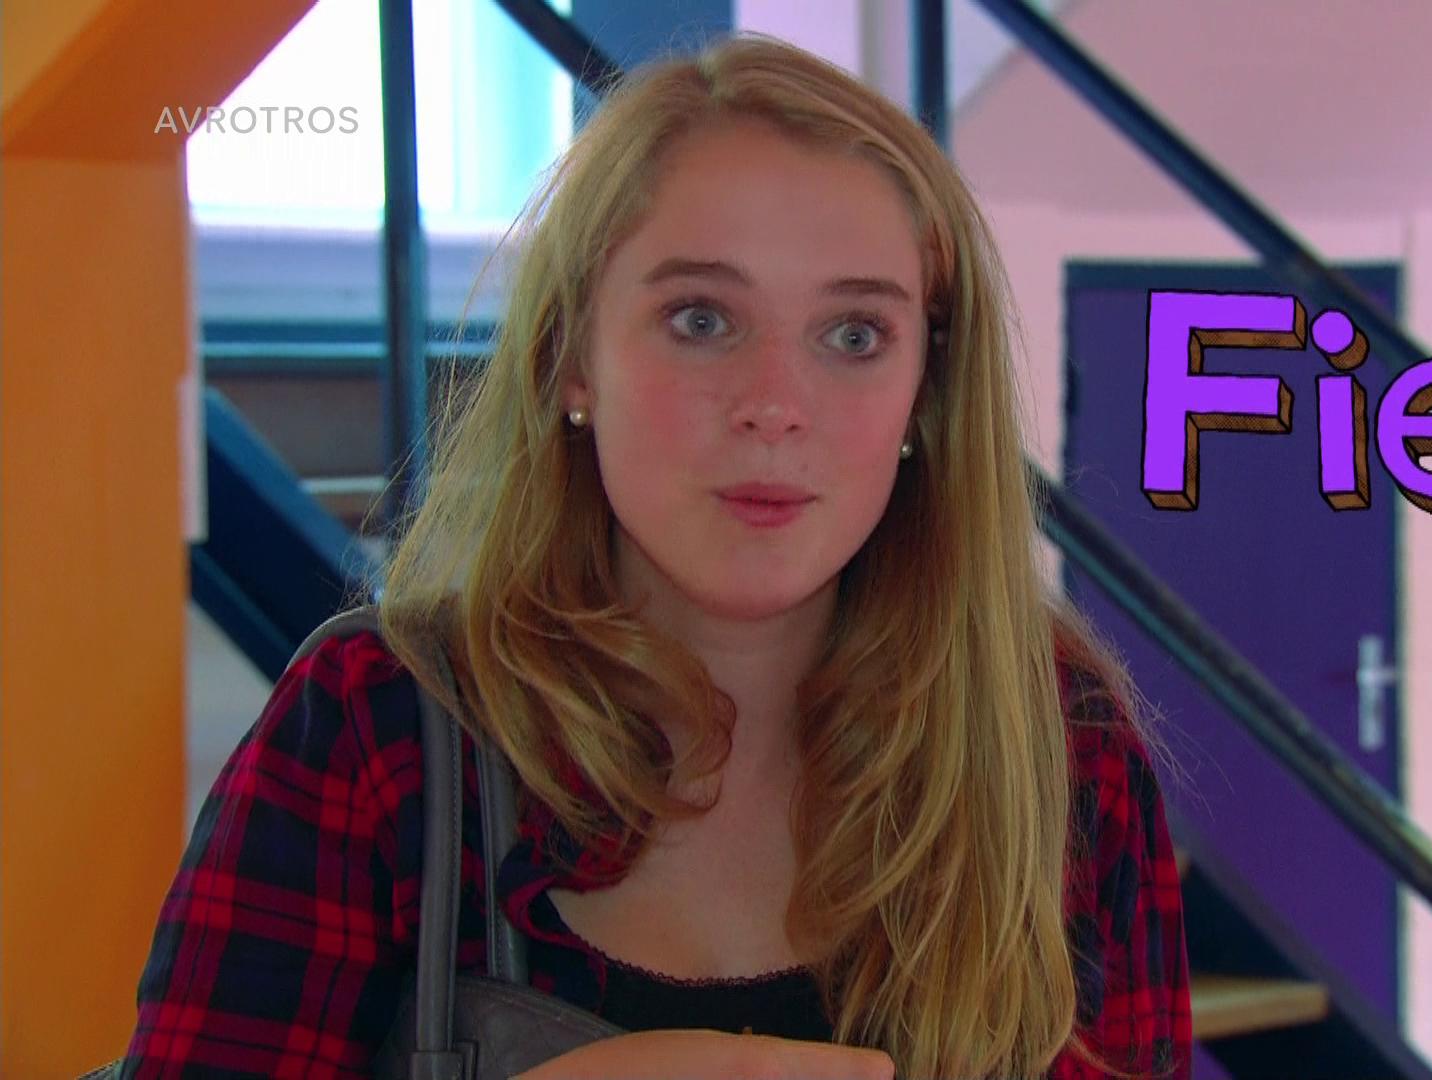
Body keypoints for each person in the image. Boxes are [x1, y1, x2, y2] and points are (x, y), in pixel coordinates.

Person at [121, 31, 1191, 1080]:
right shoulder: (378, 724)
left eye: (854, 335)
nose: (774, 405)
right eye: (701, 320)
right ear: (573, 358)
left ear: (926, 394)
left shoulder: (1057, 742)